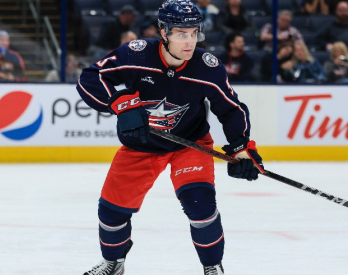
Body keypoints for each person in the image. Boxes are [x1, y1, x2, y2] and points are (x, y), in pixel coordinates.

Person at [77, 1, 264, 275]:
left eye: (194, 33)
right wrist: (120, 103)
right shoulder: (137, 54)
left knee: (200, 204)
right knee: (112, 211)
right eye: (181, 34)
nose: (189, 42)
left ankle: (213, 267)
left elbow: (231, 108)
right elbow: (90, 78)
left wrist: (241, 148)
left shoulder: (207, 68)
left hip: (190, 143)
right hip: (141, 146)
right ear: (164, 32)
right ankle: (113, 263)